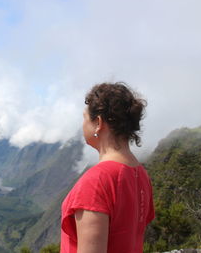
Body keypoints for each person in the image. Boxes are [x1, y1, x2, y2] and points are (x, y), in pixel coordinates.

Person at [60, 82, 155, 253]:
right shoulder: (140, 174)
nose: (82, 124)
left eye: (84, 118)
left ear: (98, 122)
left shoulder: (97, 181)